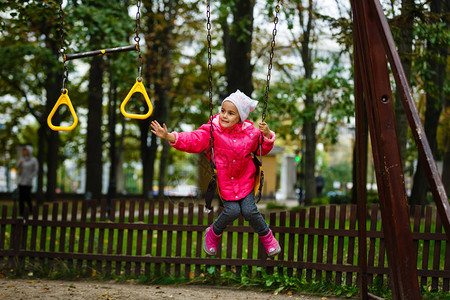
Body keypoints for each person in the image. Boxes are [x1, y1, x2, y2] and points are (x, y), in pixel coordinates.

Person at [151, 90, 281, 257]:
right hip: (226, 182)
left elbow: (262, 149)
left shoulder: (251, 133)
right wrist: (170, 136)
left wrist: (267, 135)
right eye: (223, 111)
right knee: (232, 211)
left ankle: (267, 238)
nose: (224, 116)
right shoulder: (213, 131)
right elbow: (193, 139)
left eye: (231, 113)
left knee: (249, 211)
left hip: (246, 180)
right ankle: (213, 232)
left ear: (240, 117)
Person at [15, 145, 39, 215]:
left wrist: (31, 177)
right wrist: (19, 163)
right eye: (24, 150)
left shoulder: (34, 160)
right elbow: (16, 168)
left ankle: (31, 209)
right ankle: (21, 212)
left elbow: (36, 170)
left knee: (27, 196)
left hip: (28, 182)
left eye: (26, 150)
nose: (25, 152)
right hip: (21, 181)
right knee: (21, 198)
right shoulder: (21, 159)